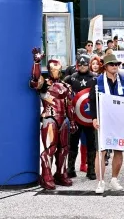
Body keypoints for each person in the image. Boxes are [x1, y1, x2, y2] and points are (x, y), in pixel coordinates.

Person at [30, 48, 77, 190]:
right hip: (49, 118)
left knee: (64, 149)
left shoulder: (66, 86)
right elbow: (34, 80)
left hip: (64, 120)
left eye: (57, 68)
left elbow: (70, 105)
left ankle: (61, 173)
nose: (55, 70)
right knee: (50, 149)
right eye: (52, 68)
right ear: (49, 70)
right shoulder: (45, 84)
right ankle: (46, 176)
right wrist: (37, 62)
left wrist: (73, 121)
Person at [89, 53, 124, 194]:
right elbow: (92, 101)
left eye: (117, 64)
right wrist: (94, 118)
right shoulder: (97, 81)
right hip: (103, 120)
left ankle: (114, 179)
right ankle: (100, 181)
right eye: (112, 64)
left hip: (120, 120)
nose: (115, 66)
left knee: (118, 150)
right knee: (101, 151)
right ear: (105, 66)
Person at [64, 54, 97, 180]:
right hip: (75, 117)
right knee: (72, 143)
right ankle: (70, 169)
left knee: (91, 144)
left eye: (85, 64)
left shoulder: (95, 78)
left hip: (89, 117)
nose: (83, 66)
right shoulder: (71, 78)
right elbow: (61, 90)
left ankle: (91, 170)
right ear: (77, 64)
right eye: (80, 64)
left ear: (88, 64)